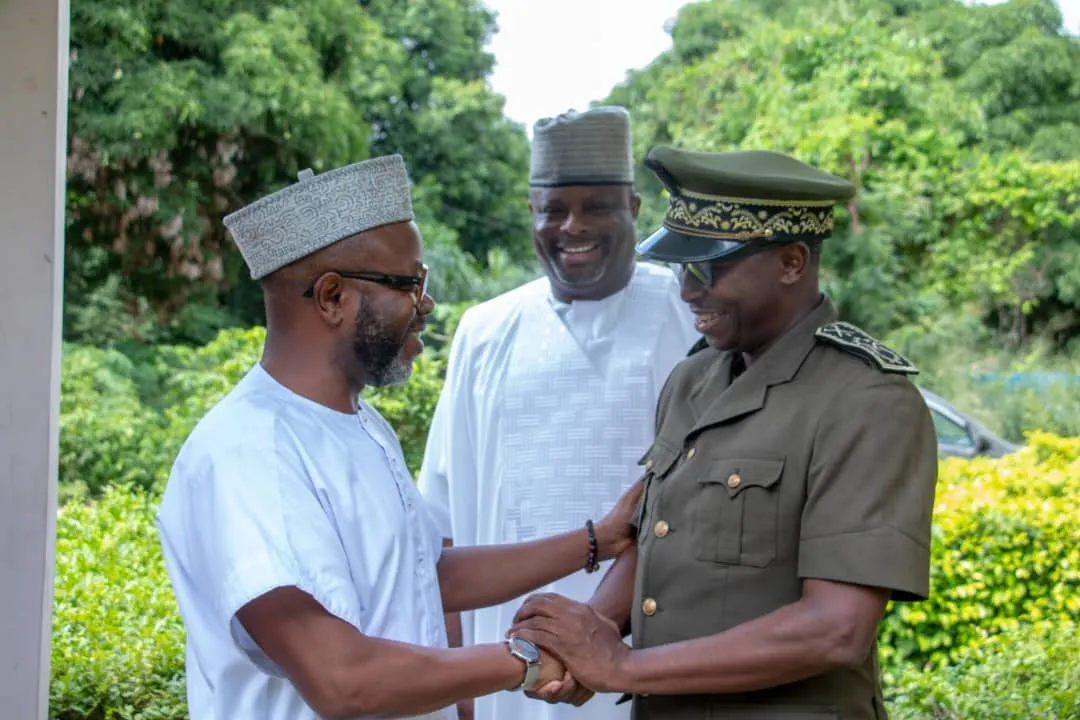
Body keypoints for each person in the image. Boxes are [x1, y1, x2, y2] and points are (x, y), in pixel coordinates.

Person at [154, 154, 644, 720]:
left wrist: (596, 540)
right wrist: (531, 659)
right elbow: (343, 681)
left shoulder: (361, 424)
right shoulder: (249, 453)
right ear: (333, 297)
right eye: (410, 283)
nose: (426, 305)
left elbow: (419, 573)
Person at [509, 145, 941, 720]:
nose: (689, 290)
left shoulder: (866, 400)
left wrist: (622, 667)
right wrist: (590, 632)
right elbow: (658, 538)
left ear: (791, 262)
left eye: (711, 268)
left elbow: (837, 627)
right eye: (684, 268)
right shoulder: (694, 379)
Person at [416, 107, 699, 720]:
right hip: (508, 676)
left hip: (652, 671)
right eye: (554, 209)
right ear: (531, 213)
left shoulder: (690, 313)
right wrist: (457, 688)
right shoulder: (484, 331)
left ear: (633, 210)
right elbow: (441, 525)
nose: (574, 226)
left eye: (596, 207)